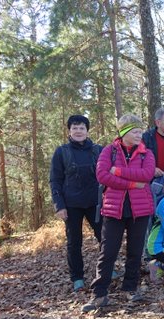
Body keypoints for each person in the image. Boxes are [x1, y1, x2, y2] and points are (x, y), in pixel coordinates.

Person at [82, 114, 156, 312]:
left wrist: (118, 171)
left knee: (135, 252)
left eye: (140, 131)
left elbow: (147, 175)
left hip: (140, 209)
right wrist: (132, 184)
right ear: (124, 133)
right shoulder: (109, 151)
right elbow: (102, 175)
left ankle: (131, 288)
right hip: (113, 209)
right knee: (108, 252)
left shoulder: (146, 153)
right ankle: (99, 294)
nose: (139, 135)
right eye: (135, 132)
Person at [50, 115, 102, 292]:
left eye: (82, 128)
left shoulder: (98, 150)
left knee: (104, 238)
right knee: (74, 242)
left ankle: (107, 270)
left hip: (96, 203)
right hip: (71, 204)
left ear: (87, 131)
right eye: (75, 128)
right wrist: (59, 205)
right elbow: (55, 180)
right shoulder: (61, 152)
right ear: (69, 131)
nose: (78, 131)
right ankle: (77, 278)